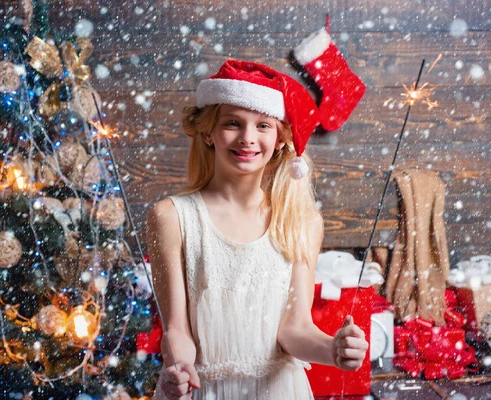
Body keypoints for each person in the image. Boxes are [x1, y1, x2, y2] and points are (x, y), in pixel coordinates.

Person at [145, 56, 368, 400]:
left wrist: (333, 349)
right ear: (208, 132)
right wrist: (179, 366)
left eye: (263, 125)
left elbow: (294, 329)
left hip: (277, 391)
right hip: (204, 391)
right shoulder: (172, 217)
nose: (248, 138)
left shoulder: (301, 222)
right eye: (233, 123)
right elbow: (177, 329)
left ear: (280, 140)